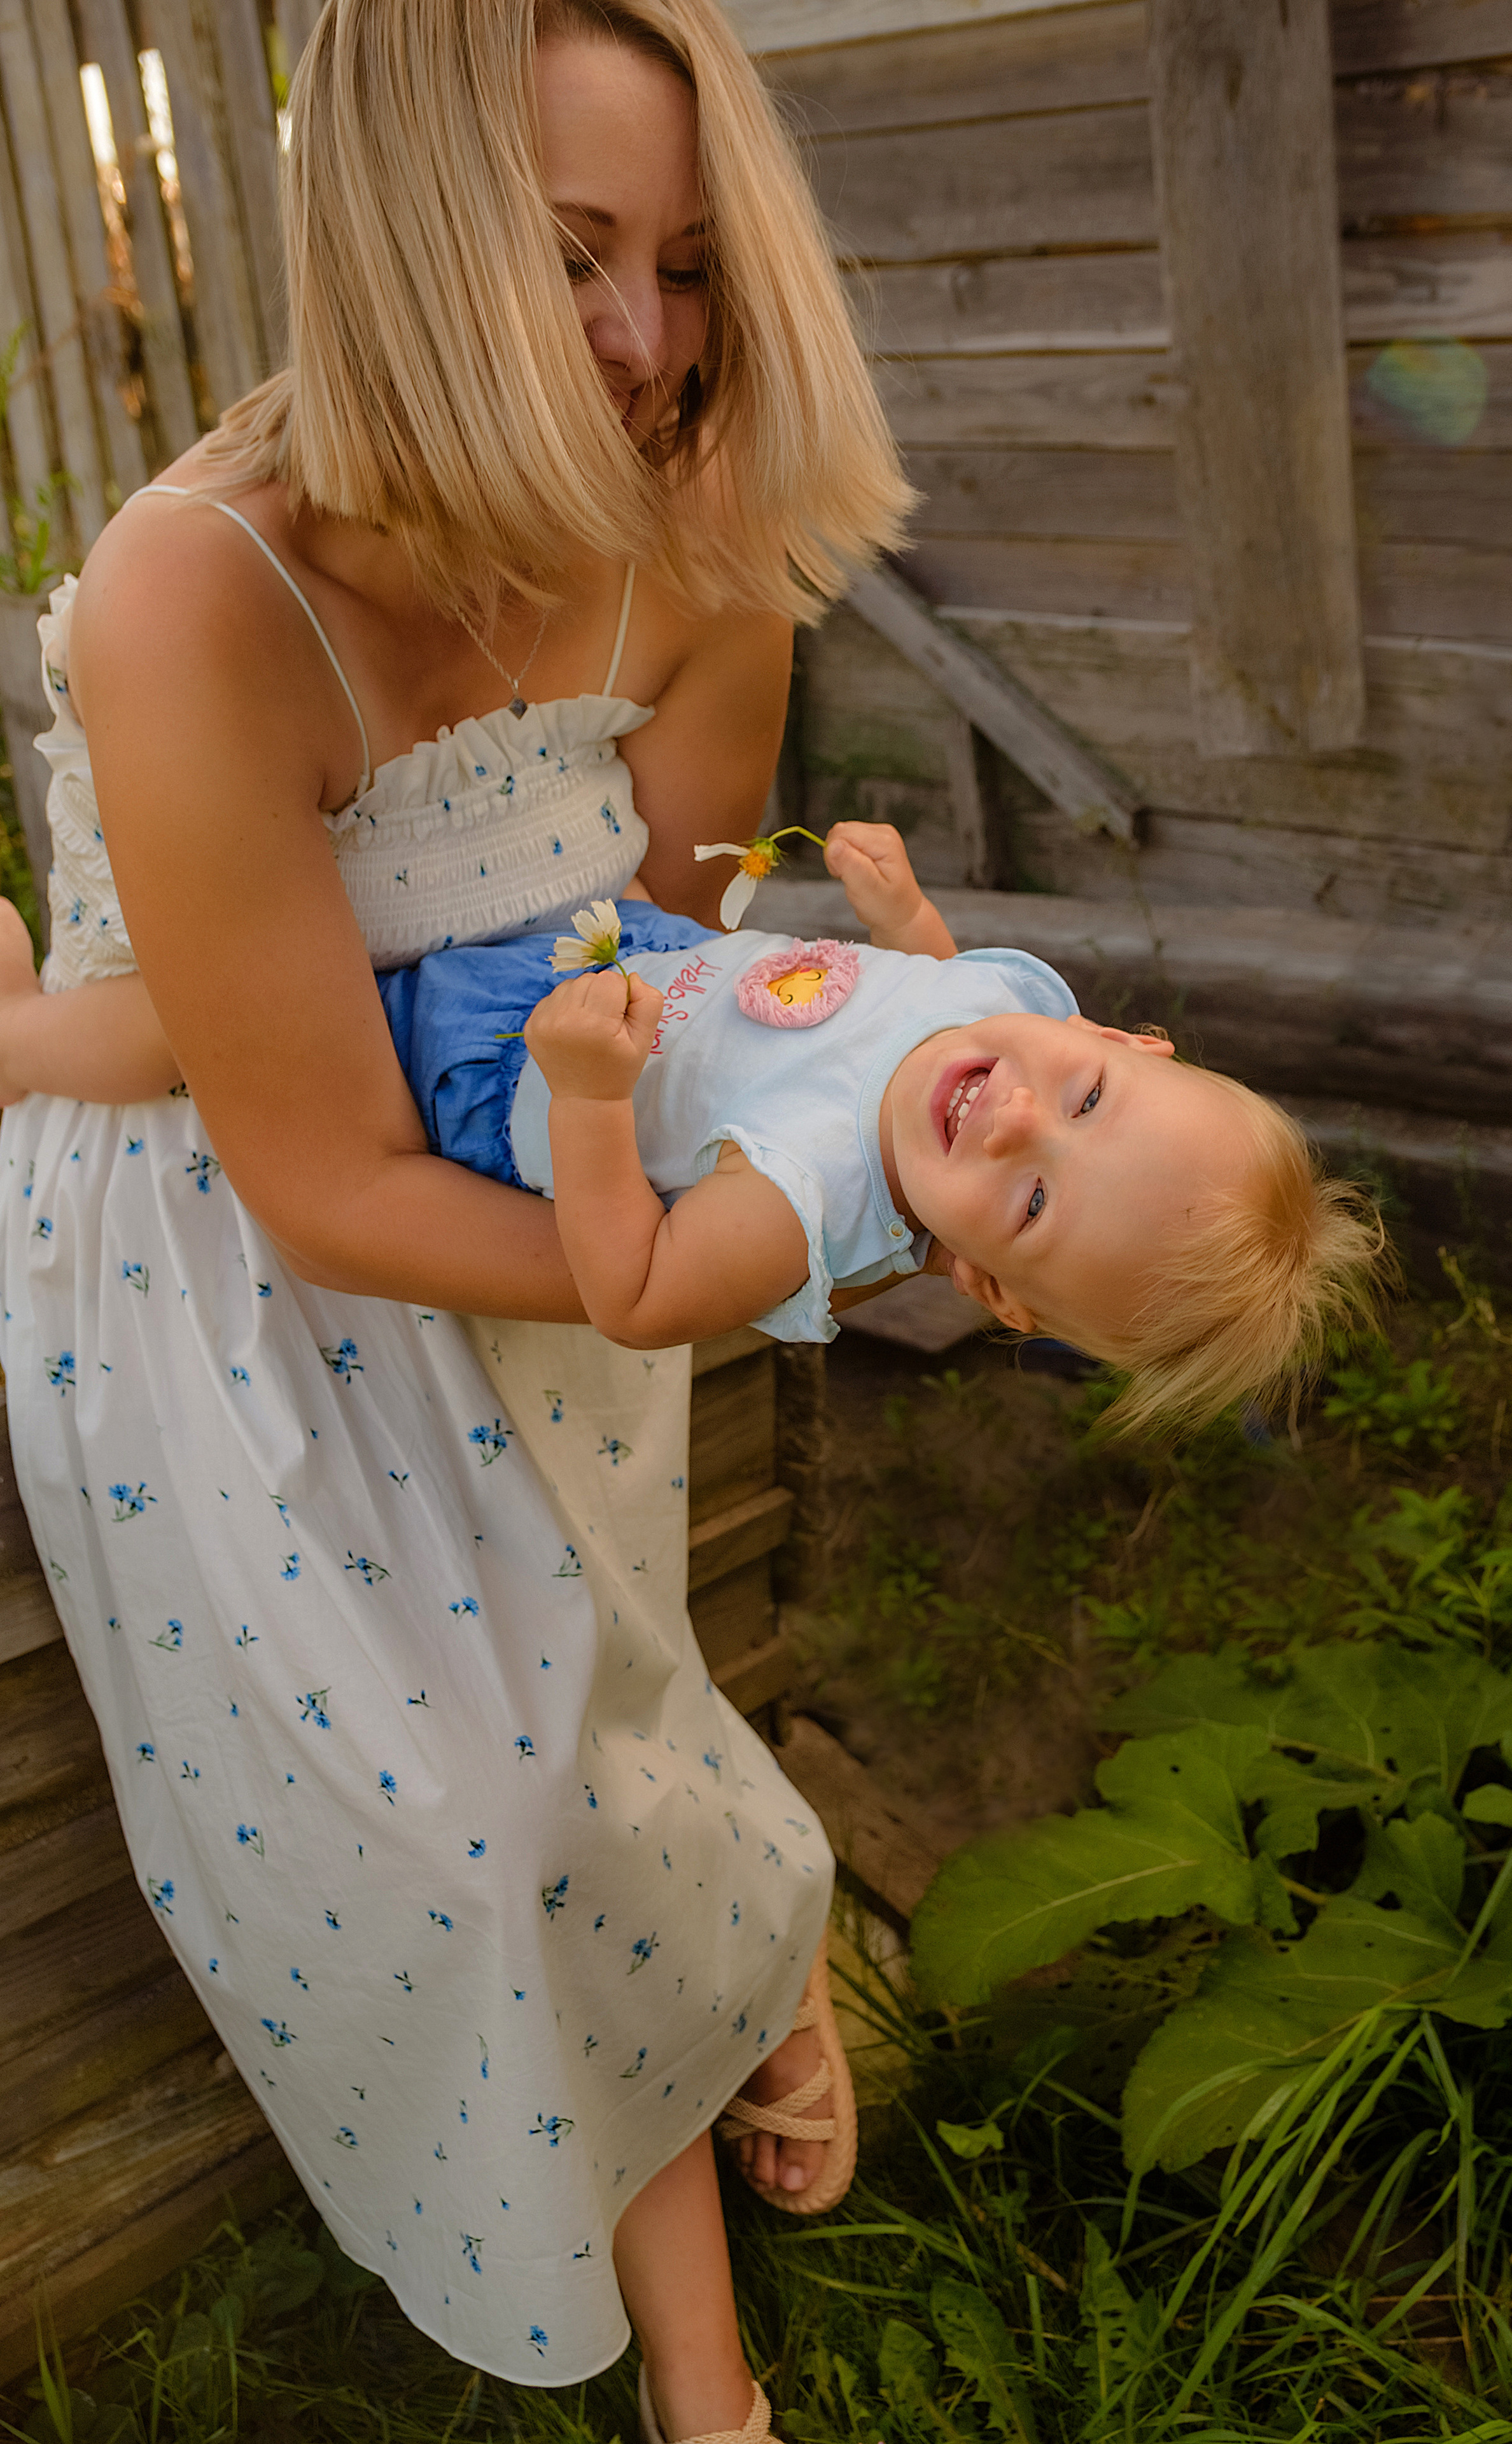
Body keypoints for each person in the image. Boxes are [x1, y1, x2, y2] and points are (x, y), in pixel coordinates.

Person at [0, 3, 914, 2438]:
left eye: (702, 266)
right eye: (574, 259)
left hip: (537, 1159)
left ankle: (707, 2381)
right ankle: (751, 1985)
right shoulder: (196, 594)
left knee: (603, 1725)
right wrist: (767, 1250)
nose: (650, 350)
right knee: (488, 1823)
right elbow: (307, 1176)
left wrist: (888, 1073)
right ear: (402, 241)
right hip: (234, 1231)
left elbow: (657, 964)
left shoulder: (713, 542)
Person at [3, 822, 1387, 1430]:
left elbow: (637, 1293)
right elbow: (945, 984)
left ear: (984, 1287)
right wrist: (899, 918)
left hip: (498, 1066)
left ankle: (16, 1047)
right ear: (1121, 1041)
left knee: (212, 1025)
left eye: (1030, 1204)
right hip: (613, 950)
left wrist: (594, 1105)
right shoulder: (1010, 1009)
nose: (1016, 1117)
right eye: (1086, 1097)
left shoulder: (805, 1206)